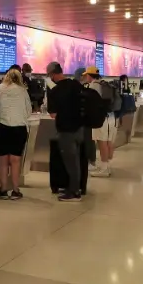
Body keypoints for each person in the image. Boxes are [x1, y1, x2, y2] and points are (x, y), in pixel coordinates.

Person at [46, 61, 87, 202]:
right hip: (80, 129)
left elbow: (53, 114)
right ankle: (76, 186)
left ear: (52, 74)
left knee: (70, 161)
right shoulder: (76, 85)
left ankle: (74, 192)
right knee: (77, 160)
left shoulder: (55, 91)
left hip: (65, 131)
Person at [0, 68, 33, 200]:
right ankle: (15, 190)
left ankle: (3, 189)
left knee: (3, 160)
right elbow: (28, 111)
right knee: (15, 160)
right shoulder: (23, 91)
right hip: (19, 128)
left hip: (2, 128)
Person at [83, 67, 115, 177]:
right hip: (111, 116)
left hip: (100, 118)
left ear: (89, 75)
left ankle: (104, 168)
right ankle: (107, 166)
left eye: (86, 75)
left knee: (102, 142)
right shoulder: (104, 84)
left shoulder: (93, 86)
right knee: (109, 141)